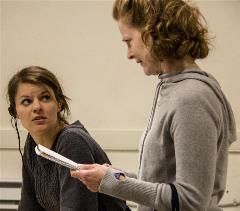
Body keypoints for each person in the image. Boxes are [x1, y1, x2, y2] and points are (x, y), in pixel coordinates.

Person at [70, 0, 237, 210]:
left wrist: (112, 182)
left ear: (152, 32)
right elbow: (162, 184)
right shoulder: (175, 88)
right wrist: (113, 177)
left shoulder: (192, 97)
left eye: (129, 41)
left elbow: (190, 201)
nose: (129, 54)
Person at [7, 66, 130, 211]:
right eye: (26, 101)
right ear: (14, 111)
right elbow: (28, 206)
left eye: (45, 98)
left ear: (59, 104)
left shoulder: (72, 141)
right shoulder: (33, 142)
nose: (37, 107)